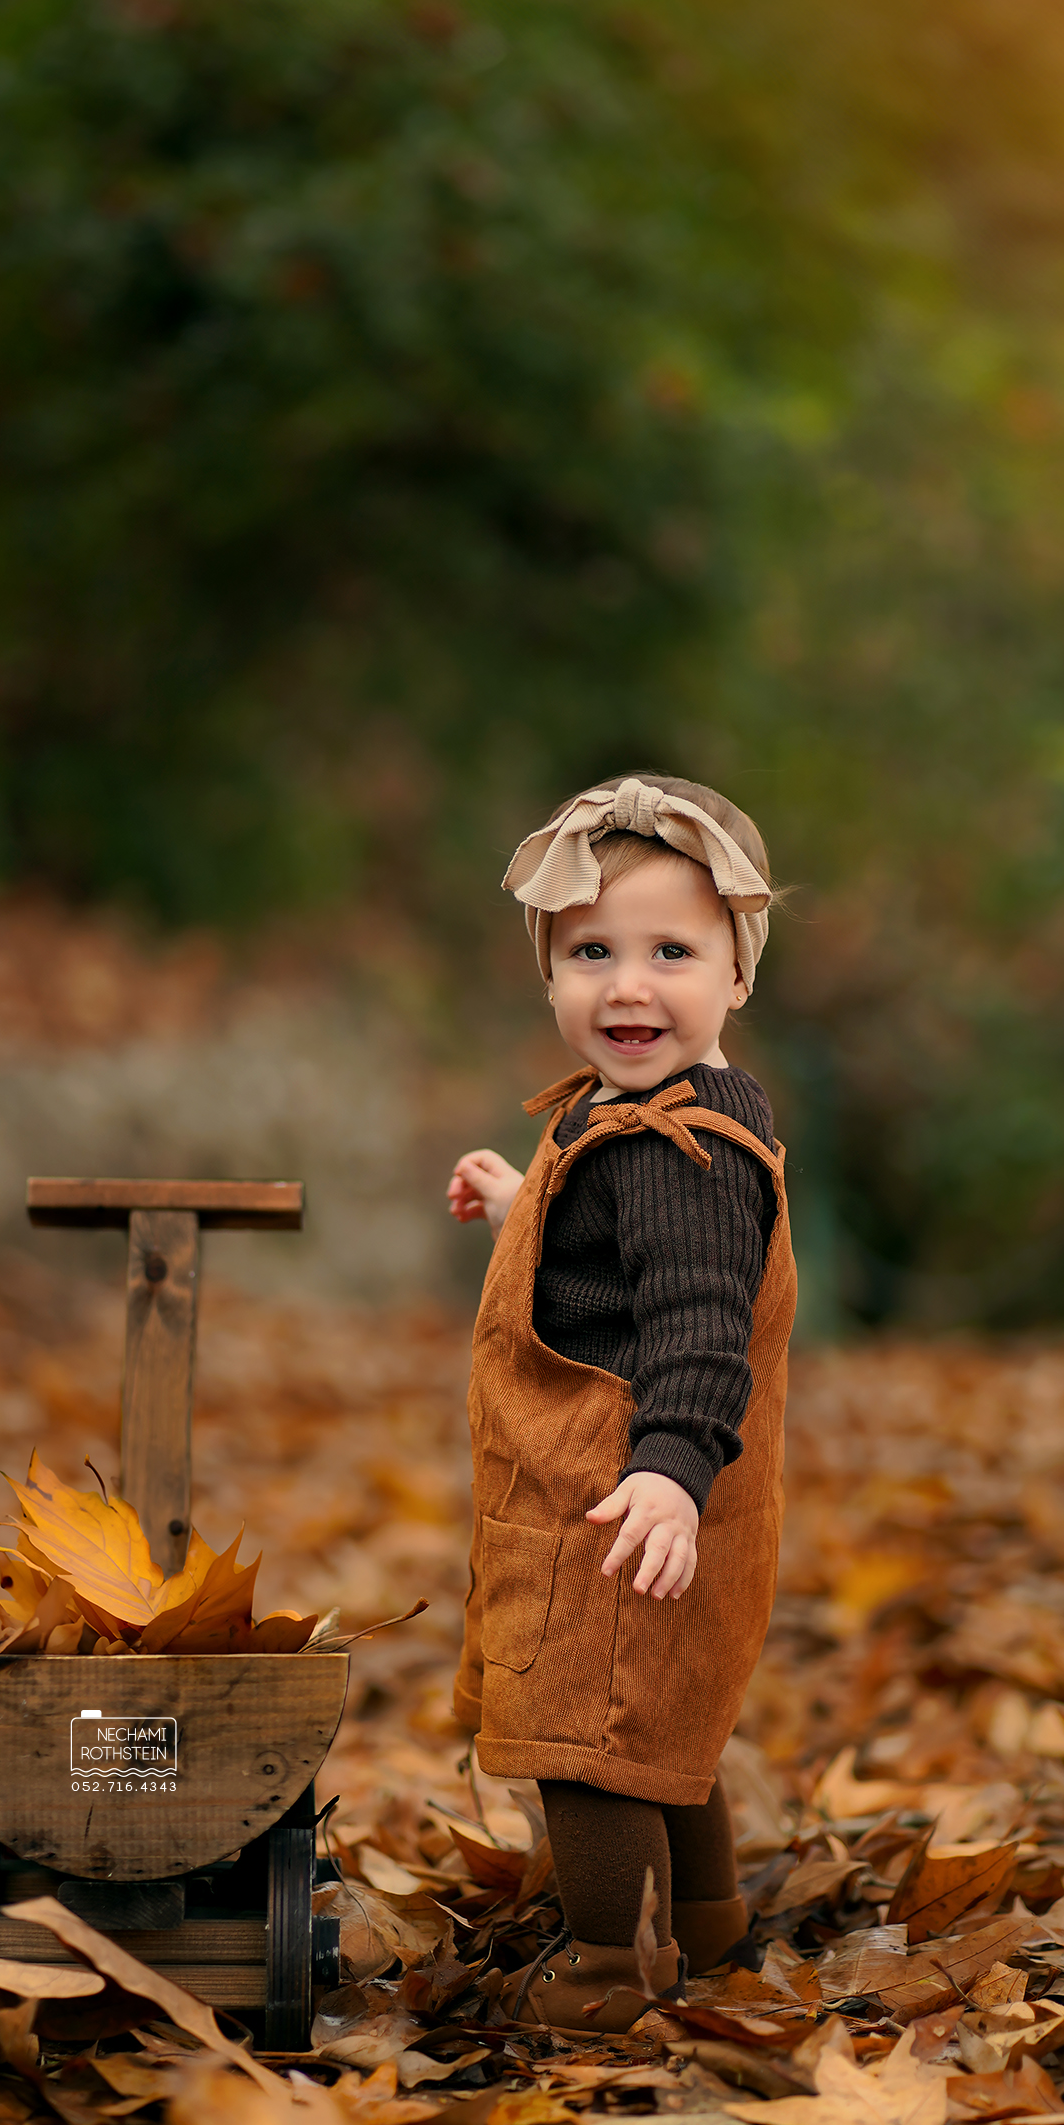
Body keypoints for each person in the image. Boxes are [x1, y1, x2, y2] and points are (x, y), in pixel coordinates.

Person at [447, 773, 796, 2031]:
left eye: (671, 951)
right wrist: (522, 1207)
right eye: (590, 951)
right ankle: (707, 1928)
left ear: (736, 974)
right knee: (662, 1712)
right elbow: (617, 1268)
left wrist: (666, 1468)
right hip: (666, 1493)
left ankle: (607, 1972)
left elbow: (700, 1322)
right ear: (548, 975)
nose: (627, 985)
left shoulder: (674, 1151)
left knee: (582, 1737)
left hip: (627, 1486)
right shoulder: (661, 1115)